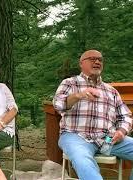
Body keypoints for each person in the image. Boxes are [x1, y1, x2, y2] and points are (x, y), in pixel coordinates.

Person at [53, 49, 133, 180]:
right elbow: (58, 104)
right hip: (76, 136)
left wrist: (122, 131)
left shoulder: (111, 91)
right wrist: (79, 95)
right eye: (92, 59)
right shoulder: (70, 83)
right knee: (83, 159)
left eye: (100, 60)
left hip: (108, 138)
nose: (97, 62)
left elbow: (125, 116)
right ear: (81, 63)